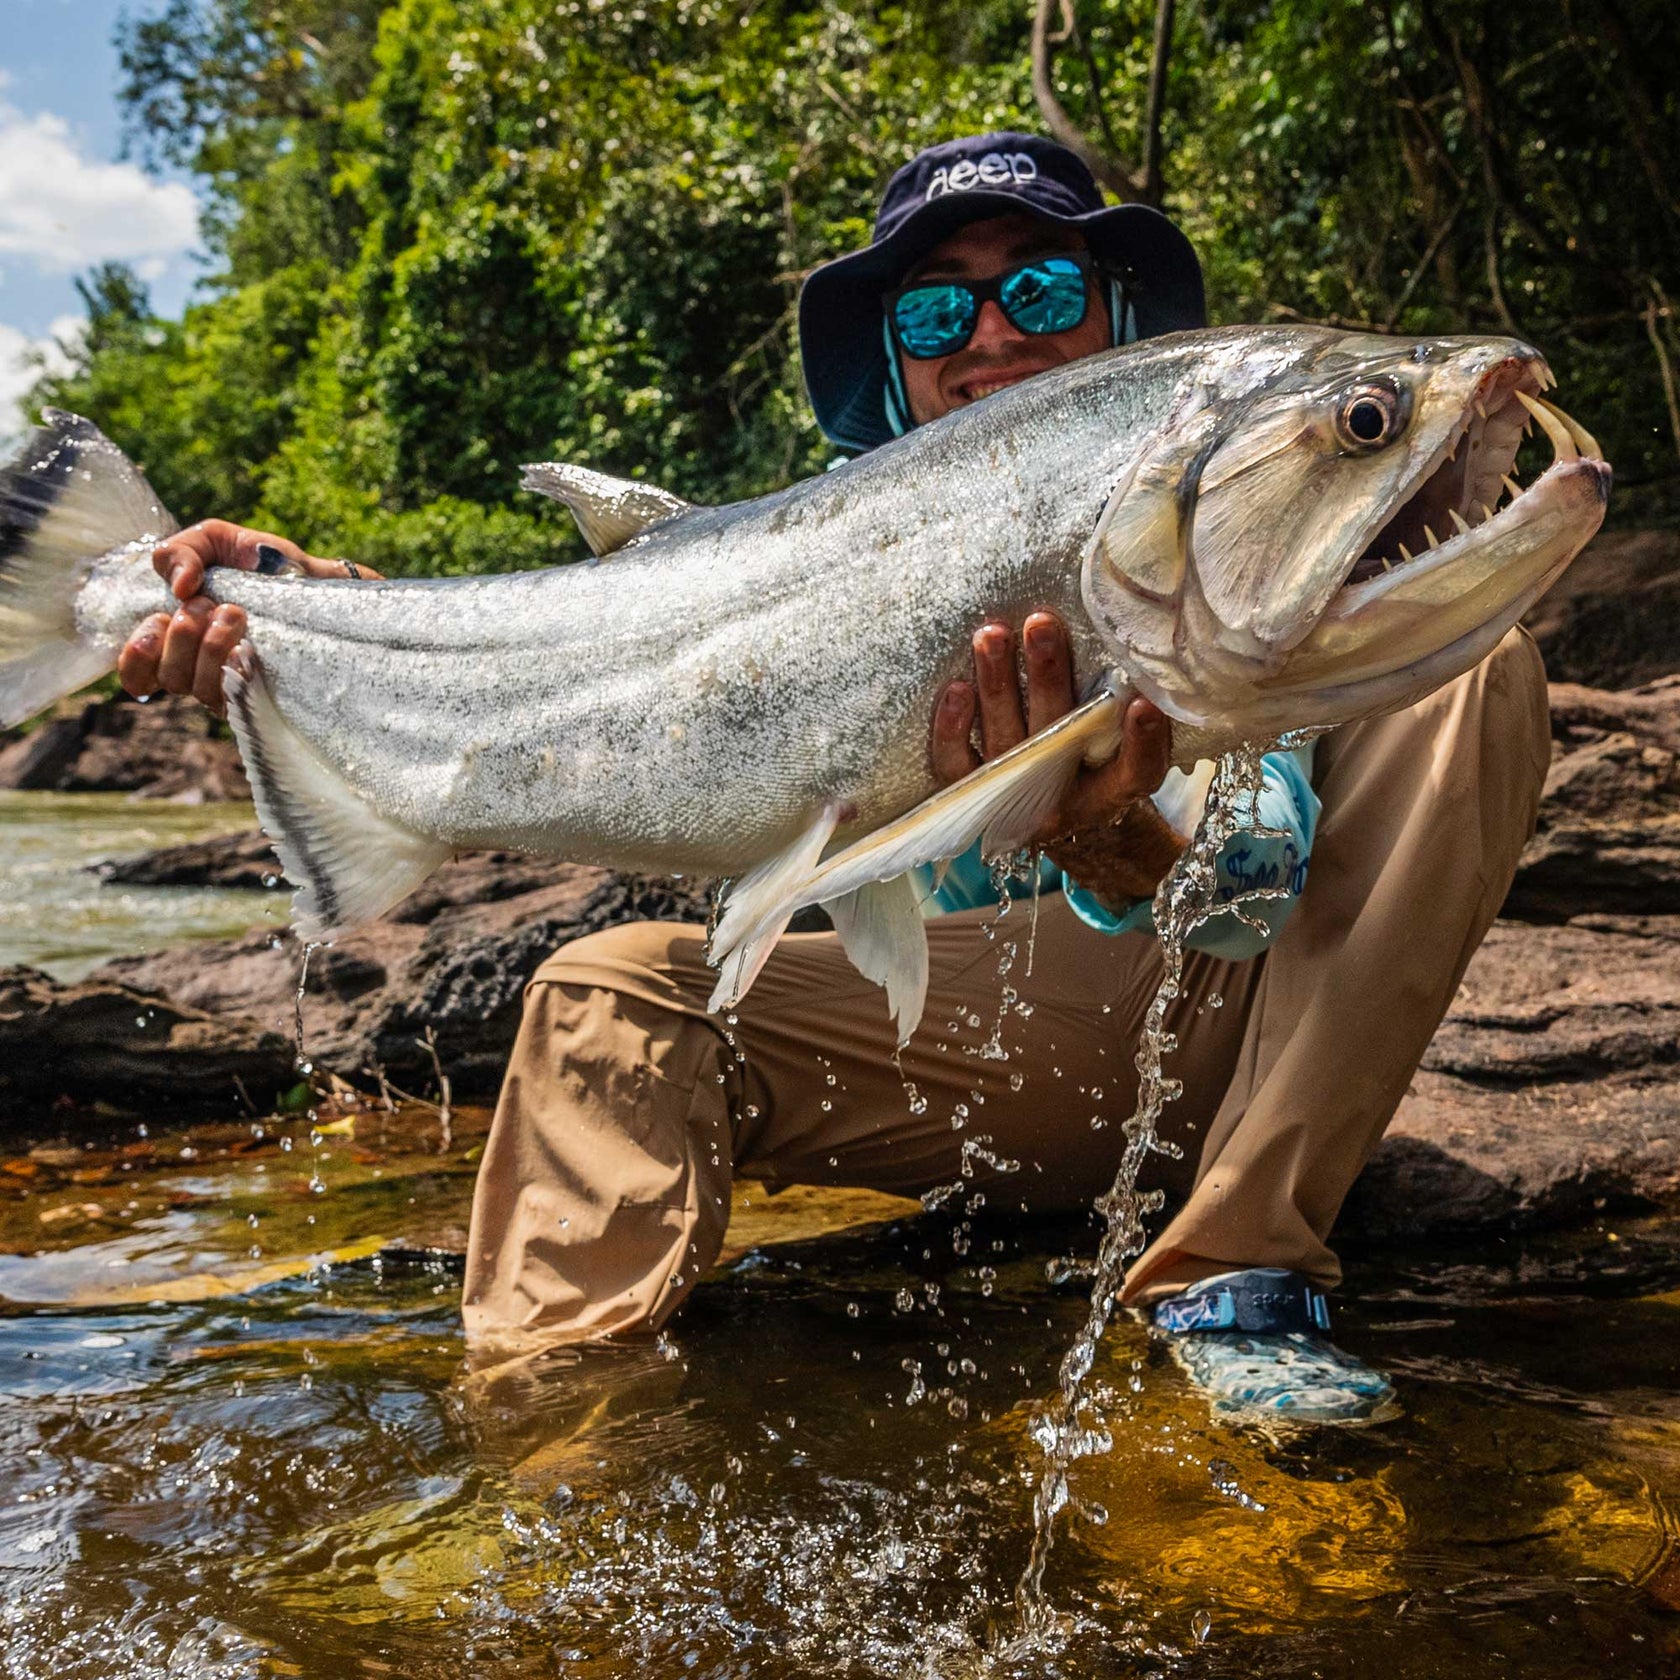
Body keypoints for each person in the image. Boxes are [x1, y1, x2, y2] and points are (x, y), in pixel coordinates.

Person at [118, 132, 1550, 1427]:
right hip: (984, 1053)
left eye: (1039, 289)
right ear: (899, 366)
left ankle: (1240, 1263)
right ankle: (544, 1444)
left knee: (1480, 668)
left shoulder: (1237, 536)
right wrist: (305, 611)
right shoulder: (829, 559)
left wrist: (1108, 833)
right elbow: (570, 663)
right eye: (937, 310)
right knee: (604, 992)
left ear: (1113, 317)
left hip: (1254, 1030)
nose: (989, 334)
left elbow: (1245, 907)